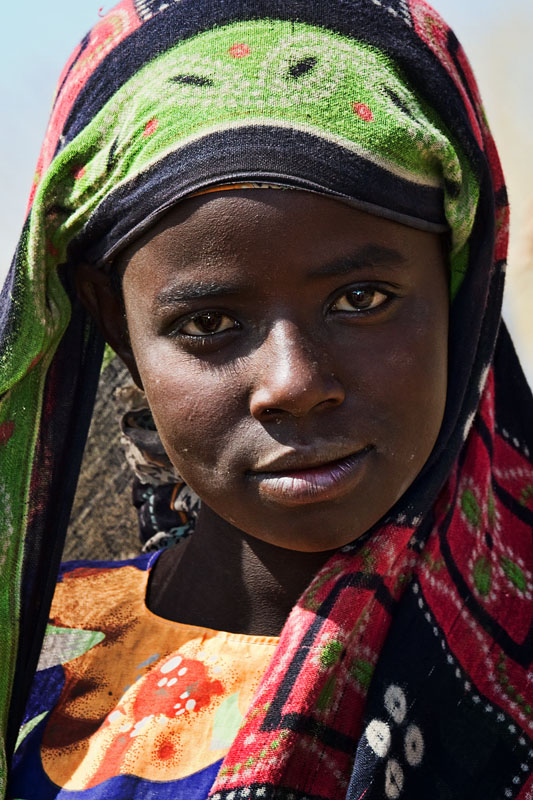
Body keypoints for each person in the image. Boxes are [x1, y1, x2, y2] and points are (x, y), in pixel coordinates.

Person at [0, 1, 532, 798]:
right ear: (116, 325)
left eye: (361, 298)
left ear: (459, 284)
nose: (294, 383)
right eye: (208, 322)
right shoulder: (31, 665)